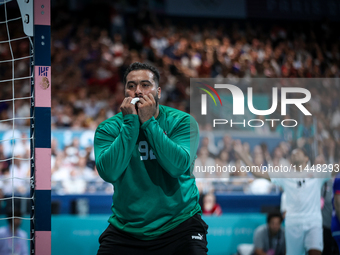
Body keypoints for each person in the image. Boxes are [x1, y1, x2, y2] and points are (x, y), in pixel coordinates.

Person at [94, 62, 208, 255]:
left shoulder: (182, 122)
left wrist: (148, 122)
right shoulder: (108, 128)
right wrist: (130, 123)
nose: (137, 91)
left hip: (180, 225)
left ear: (159, 92)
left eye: (145, 85)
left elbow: (178, 167)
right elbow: (109, 173)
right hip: (127, 229)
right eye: (131, 86)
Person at [235, 143, 332, 255]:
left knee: (315, 251)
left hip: (313, 222)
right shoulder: (284, 174)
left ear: (306, 158)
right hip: (293, 224)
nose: (294, 154)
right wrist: (242, 155)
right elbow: (257, 173)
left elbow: (336, 168)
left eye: (298, 153)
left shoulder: (317, 173)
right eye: (293, 153)